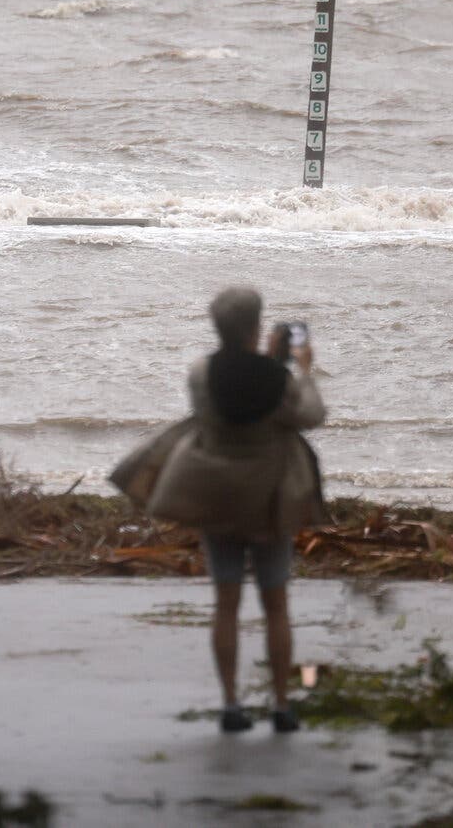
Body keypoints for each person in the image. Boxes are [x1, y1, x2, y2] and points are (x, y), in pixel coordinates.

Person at [110, 285, 327, 733]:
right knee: (276, 605)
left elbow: (222, 405)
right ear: (255, 327)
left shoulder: (200, 374)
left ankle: (231, 705)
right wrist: (300, 369)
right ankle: (281, 706)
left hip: (218, 501)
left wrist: (265, 360)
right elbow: (310, 416)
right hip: (268, 505)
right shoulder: (279, 381)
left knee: (225, 604)